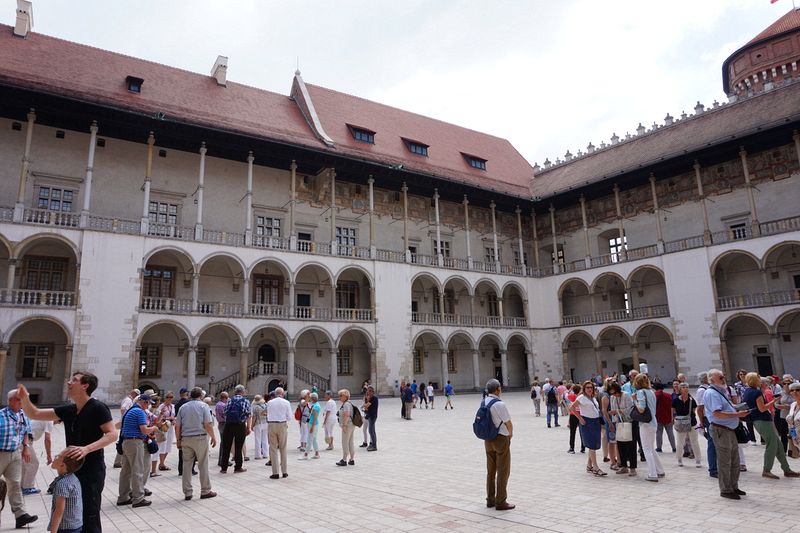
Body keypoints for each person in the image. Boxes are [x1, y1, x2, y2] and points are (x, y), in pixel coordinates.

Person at [19, 372, 116, 533]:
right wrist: (25, 398)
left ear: (85, 386)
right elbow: (34, 414)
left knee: (89, 515)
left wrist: (86, 449)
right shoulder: (69, 410)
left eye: (74, 380)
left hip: (91, 471)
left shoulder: (98, 408)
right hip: (72, 471)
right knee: (72, 515)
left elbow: (112, 434)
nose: (69, 382)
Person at [742, 372, 799, 479]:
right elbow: (762, 408)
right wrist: (773, 401)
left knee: (779, 446)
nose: (760, 380)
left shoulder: (747, 391)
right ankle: (766, 470)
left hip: (757, 421)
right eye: (758, 378)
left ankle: (786, 469)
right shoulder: (756, 392)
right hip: (762, 421)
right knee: (772, 445)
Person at [705, 368, 751, 499]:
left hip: (729, 429)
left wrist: (741, 408)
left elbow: (728, 407)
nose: (723, 378)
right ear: (712, 379)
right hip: (721, 429)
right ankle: (726, 489)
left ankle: (733, 486)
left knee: (735, 460)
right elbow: (716, 413)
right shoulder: (712, 393)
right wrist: (737, 414)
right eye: (720, 376)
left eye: (723, 375)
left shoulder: (720, 391)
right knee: (725, 461)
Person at [0, 390, 37, 528]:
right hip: (1, 453)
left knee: (15, 483)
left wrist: (26, 447)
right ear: (10, 401)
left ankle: (20, 515)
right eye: (19, 399)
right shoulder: (1, 415)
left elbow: (25, 431)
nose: (22, 402)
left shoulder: (23, 415)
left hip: (15, 454)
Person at [117, 394, 160, 507]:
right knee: (138, 471)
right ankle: (138, 498)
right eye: (148, 403)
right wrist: (154, 428)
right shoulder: (139, 412)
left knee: (126, 471)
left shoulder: (130, 410)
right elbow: (144, 430)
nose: (149, 405)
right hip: (135, 442)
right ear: (144, 402)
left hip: (126, 442)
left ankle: (123, 497)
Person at [175, 387, 217, 501]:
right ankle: (205, 490)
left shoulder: (183, 407)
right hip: (200, 438)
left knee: (187, 466)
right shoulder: (204, 406)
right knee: (203, 464)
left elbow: (177, 425)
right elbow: (208, 424)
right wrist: (213, 437)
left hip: (186, 438)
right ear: (201, 396)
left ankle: (187, 492)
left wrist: (178, 440)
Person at [483, 379, 514, 510]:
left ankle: (490, 499)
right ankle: (500, 501)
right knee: (503, 470)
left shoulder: (484, 401)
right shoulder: (499, 404)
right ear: (497, 389)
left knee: (491, 471)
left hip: (488, 439)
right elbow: (508, 422)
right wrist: (510, 434)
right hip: (500, 438)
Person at [634, 373, 664, 482]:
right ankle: (660, 470)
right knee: (651, 448)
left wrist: (634, 401)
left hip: (645, 423)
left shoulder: (640, 392)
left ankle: (652, 473)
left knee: (646, 448)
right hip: (653, 422)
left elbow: (641, 409)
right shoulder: (651, 392)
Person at [571, 381, 605, 476]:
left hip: (595, 422)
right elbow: (572, 408)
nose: (590, 389)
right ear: (584, 389)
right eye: (587, 387)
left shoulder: (593, 398)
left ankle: (589, 465)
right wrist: (580, 418)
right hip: (587, 422)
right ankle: (596, 468)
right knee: (591, 446)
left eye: (591, 387)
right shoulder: (581, 397)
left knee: (594, 445)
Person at [48, 446, 84, 533]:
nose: (55, 457)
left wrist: (53, 531)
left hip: (65, 528)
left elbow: (59, 510)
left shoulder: (63, 484)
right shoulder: (73, 478)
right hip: (76, 525)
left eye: (57, 456)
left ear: (62, 465)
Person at [219, 385, 251, 474]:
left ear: (235, 391)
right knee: (238, 447)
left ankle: (223, 468)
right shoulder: (245, 401)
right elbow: (248, 415)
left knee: (226, 447)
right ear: (243, 392)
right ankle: (238, 467)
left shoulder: (230, 400)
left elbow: (225, 412)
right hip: (240, 425)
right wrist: (248, 427)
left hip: (228, 425)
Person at [608, 382, 637, 476]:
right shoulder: (612, 398)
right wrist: (614, 418)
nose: (614, 395)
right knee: (620, 445)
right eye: (612, 393)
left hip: (630, 422)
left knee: (631, 445)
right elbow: (614, 410)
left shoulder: (626, 395)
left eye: (615, 393)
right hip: (619, 423)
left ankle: (633, 468)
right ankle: (624, 466)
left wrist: (617, 411)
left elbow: (630, 410)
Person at [672, 383, 702, 468]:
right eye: (683, 387)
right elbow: (673, 410)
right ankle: (679, 459)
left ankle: (698, 460)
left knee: (694, 442)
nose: (685, 389)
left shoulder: (692, 400)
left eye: (686, 387)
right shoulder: (676, 400)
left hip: (692, 423)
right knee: (680, 442)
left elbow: (693, 410)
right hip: (680, 423)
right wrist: (673, 419)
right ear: (680, 389)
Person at [21, 417, 52, 495]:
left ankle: (22, 486)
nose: (58, 424)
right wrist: (49, 456)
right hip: (25, 440)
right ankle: (27, 487)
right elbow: (47, 439)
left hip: (24, 439)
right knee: (33, 463)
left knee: (26, 463)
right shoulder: (49, 420)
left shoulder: (45, 418)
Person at [266, 387, 292, 479]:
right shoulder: (286, 402)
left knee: (273, 449)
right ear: (282, 394)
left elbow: (268, 413)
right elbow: (289, 417)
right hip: (282, 424)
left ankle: (275, 472)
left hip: (272, 424)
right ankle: (284, 472)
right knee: (283, 448)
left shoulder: (269, 402)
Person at [695, 371, 717, 478]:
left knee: (715, 443)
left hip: (714, 418)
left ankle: (716, 466)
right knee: (712, 443)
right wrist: (702, 422)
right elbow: (700, 408)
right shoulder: (701, 391)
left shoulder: (709, 388)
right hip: (708, 419)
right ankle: (713, 469)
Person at [113, 388, 139, 468]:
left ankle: (119, 461)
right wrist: (126, 418)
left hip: (125, 423)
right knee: (123, 441)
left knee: (123, 441)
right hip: (126, 424)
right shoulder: (128, 400)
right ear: (134, 394)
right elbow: (123, 409)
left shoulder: (127, 399)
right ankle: (118, 462)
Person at [600, 378, 619, 469]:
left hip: (616, 420)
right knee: (611, 442)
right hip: (611, 421)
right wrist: (610, 423)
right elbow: (604, 410)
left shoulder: (613, 394)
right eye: (613, 382)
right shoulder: (606, 396)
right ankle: (612, 462)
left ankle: (617, 459)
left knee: (617, 441)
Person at [654, 382, 676, 454]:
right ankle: (674, 447)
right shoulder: (668, 395)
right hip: (668, 416)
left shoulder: (654, 396)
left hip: (658, 417)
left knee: (659, 433)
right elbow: (672, 407)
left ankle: (659, 448)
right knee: (670, 433)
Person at [157, 391, 176, 472]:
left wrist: (174, 419)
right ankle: (161, 463)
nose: (169, 399)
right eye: (168, 397)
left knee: (168, 444)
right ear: (165, 398)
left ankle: (162, 463)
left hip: (170, 427)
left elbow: (173, 415)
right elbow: (158, 417)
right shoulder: (162, 406)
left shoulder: (173, 406)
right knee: (163, 444)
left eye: (171, 397)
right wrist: (169, 418)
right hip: (164, 426)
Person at [336, 389, 356, 466]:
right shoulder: (348, 403)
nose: (339, 397)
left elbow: (347, 415)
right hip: (351, 425)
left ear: (346, 396)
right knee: (350, 442)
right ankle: (352, 459)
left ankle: (344, 460)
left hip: (347, 425)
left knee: (345, 442)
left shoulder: (346, 404)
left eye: (341, 395)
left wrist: (344, 425)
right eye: (339, 395)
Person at [300, 392, 321, 460]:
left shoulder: (316, 406)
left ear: (312, 398)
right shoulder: (315, 405)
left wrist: (312, 427)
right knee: (314, 439)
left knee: (309, 439)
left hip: (313, 424)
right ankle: (317, 453)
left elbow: (315, 417)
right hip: (312, 423)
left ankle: (306, 454)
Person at [566, 384, 584, 454]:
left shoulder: (571, 396)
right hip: (581, 414)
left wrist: (571, 389)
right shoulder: (581, 397)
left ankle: (571, 448)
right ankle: (583, 447)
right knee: (582, 432)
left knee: (572, 432)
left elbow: (567, 395)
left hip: (573, 415)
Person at [250, 395, 268, 460]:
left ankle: (258, 455)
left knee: (258, 439)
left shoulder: (255, 407)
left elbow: (254, 417)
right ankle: (265, 454)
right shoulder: (266, 405)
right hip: (266, 423)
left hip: (258, 424)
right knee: (265, 439)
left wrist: (252, 426)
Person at [214, 392, 229, 469]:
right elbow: (226, 414)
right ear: (225, 398)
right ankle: (222, 460)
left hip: (221, 424)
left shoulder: (218, 404)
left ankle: (223, 459)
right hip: (224, 424)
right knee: (224, 443)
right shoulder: (222, 405)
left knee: (223, 442)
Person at [364, 386, 378, 451]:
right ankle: (373, 444)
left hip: (372, 416)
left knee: (371, 431)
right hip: (370, 416)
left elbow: (366, 406)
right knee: (372, 431)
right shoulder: (370, 398)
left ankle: (374, 446)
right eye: (367, 391)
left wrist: (366, 403)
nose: (368, 392)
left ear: (372, 392)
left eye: (369, 391)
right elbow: (366, 407)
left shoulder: (374, 398)